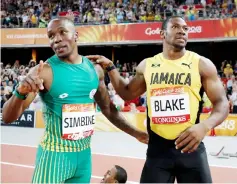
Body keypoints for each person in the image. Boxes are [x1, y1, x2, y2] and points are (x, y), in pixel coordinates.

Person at [2, 17, 148, 183]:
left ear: (76, 35)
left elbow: (108, 109)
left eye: (63, 32)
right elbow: (7, 117)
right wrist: (20, 92)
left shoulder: (95, 70)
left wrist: (136, 133)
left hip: (83, 157)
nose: (56, 39)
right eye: (51, 36)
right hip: (54, 156)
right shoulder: (44, 71)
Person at [86, 16, 229, 183]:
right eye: (176, 27)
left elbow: (222, 104)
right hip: (158, 151)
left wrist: (204, 126)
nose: (182, 31)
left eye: (185, 28)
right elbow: (126, 93)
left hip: (191, 147)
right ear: (162, 33)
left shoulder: (201, 64)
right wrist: (110, 67)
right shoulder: (148, 65)